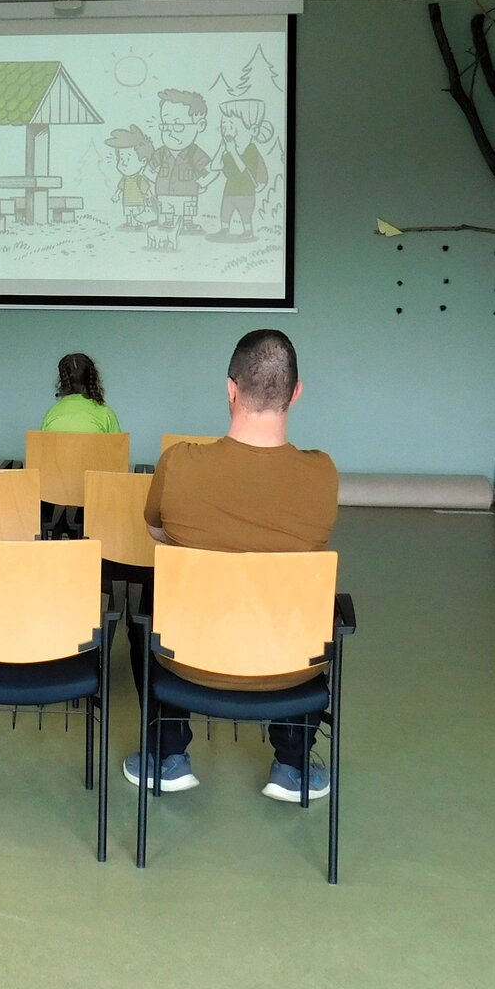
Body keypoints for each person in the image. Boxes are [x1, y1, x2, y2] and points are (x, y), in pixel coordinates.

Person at [124, 328, 339, 802]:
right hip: (288, 668)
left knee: (147, 598)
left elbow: (157, 533)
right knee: (304, 600)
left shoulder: (178, 463)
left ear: (230, 388)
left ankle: (168, 754)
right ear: (296, 393)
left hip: (188, 661)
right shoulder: (322, 474)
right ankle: (292, 765)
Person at [207, 99, 272, 243]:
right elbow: (215, 166)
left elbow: (243, 169)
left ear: (253, 130)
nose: (227, 132)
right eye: (224, 127)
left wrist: (233, 152)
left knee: (245, 213)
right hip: (230, 190)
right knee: (225, 210)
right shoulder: (228, 152)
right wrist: (221, 149)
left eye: (232, 127)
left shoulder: (251, 150)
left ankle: (248, 231)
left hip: (246, 191)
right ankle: (224, 229)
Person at [151, 88, 211, 234]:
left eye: (178, 125)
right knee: (168, 208)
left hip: (188, 190)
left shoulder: (194, 152)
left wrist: (202, 183)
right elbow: (149, 169)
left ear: (200, 125)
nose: (170, 132)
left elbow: (209, 169)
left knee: (187, 208)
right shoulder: (161, 152)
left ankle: (187, 223)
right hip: (164, 192)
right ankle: (168, 221)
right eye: (165, 125)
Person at [41, 352, 121, 434]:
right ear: (93, 378)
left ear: (62, 380)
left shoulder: (51, 414)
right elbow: (119, 442)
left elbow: (40, 442)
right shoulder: (105, 414)